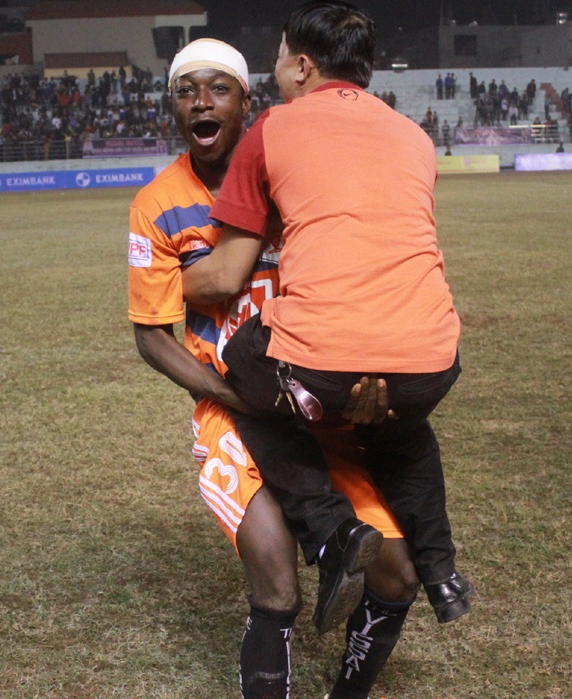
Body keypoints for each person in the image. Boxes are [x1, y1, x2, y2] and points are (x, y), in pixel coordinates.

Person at [128, 38, 421, 698]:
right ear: (172, 107)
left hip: (314, 406)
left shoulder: (297, 179)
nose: (201, 102)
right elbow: (151, 337)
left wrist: (369, 380)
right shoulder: (156, 203)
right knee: (277, 579)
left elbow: (359, 283)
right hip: (233, 413)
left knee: (397, 572)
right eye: (185, 91)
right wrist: (229, 395)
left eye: (219, 88)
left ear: (245, 102)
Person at [183, 0, 473, 627]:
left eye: (279, 58)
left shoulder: (274, 128)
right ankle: (441, 571)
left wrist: (161, 284)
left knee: (242, 379)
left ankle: (330, 529)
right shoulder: (414, 135)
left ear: (301, 66)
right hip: (431, 361)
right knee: (400, 429)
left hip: (326, 360)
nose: (276, 70)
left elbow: (225, 275)